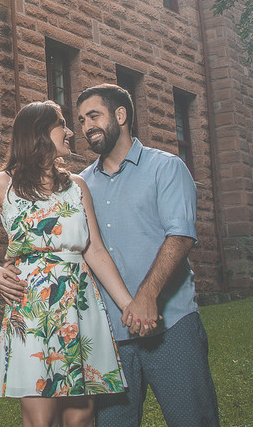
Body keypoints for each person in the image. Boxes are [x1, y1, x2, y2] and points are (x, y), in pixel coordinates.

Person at [0, 100, 135, 427]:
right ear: (38, 133)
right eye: (62, 123)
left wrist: (128, 304)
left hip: (79, 305)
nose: (70, 131)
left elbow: (95, 252)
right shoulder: (2, 184)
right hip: (32, 308)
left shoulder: (77, 186)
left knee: (81, 415)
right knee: (41, 417)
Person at [74, 84, 220, 427]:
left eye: (94, 116)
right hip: (109, 338)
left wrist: (147, 296)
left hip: (172, 328)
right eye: (81, 120)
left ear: (120, 115)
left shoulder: (166, 168)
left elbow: (180, 236)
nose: (85, 126)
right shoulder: (79, 185)